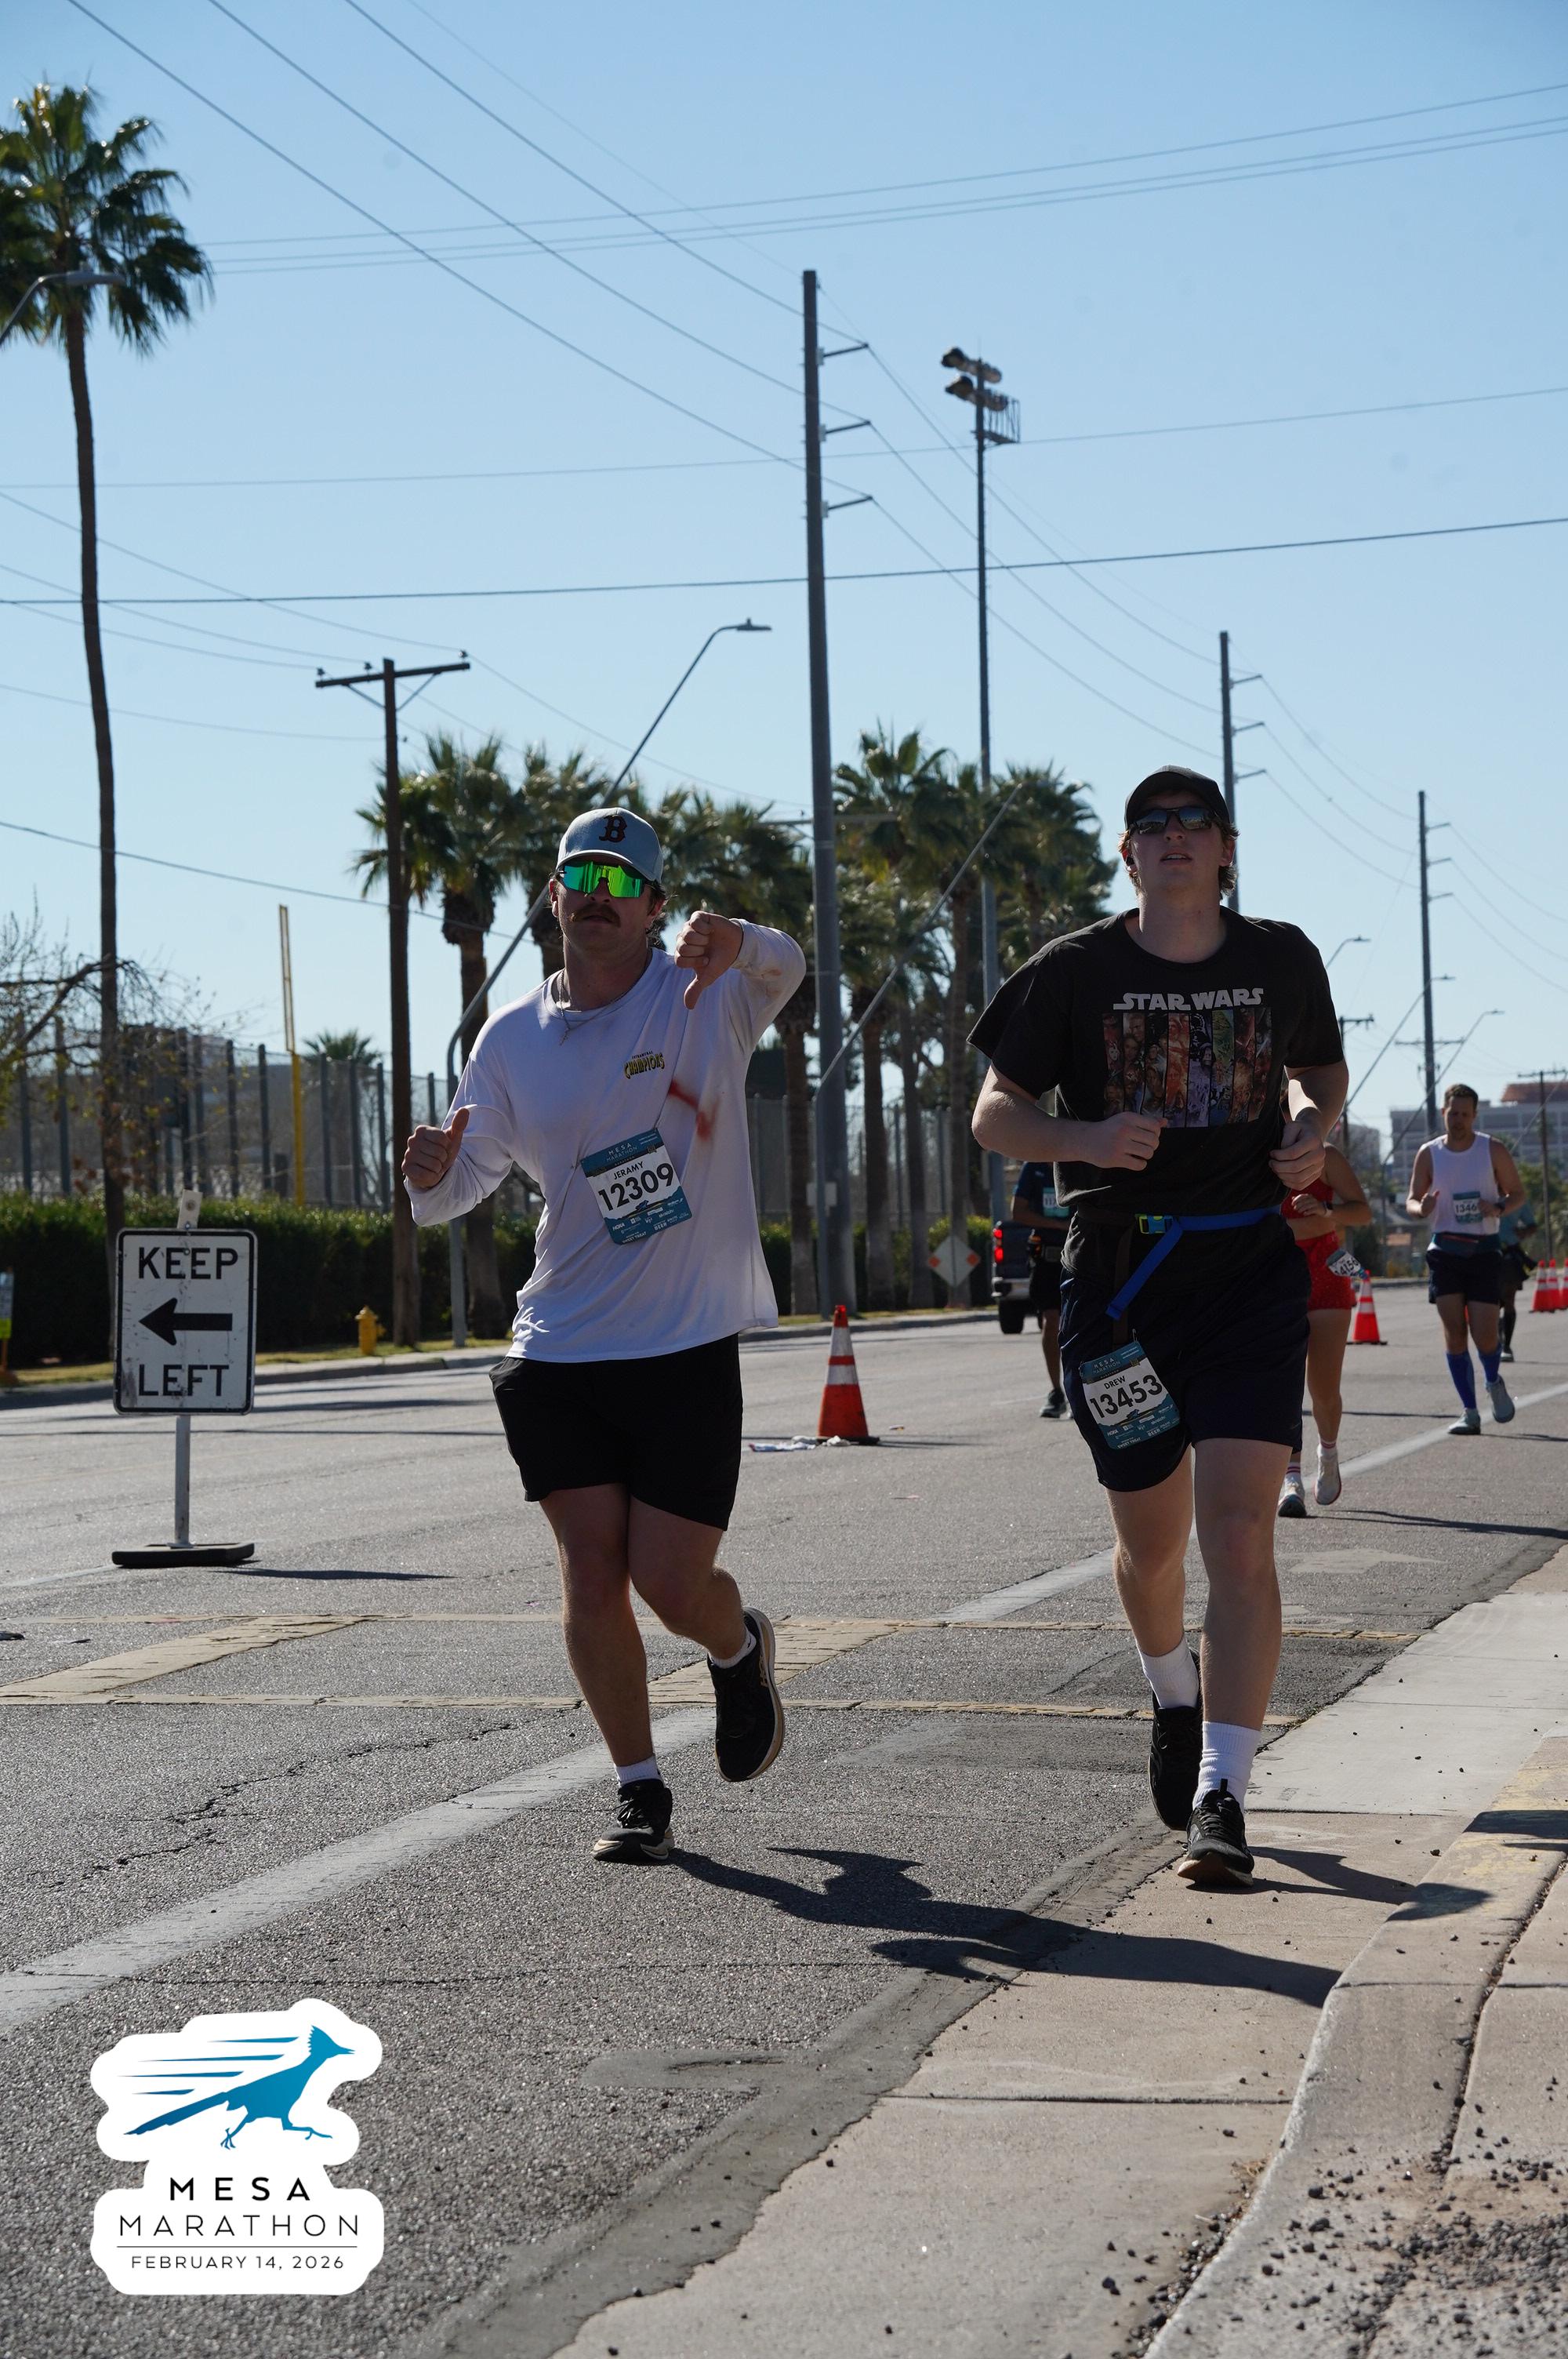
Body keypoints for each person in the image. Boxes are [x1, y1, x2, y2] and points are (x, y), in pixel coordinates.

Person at [403, 807, 805, 1864]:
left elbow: (787, 966)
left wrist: (741, 941)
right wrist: (429, 1177)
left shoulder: (703, 994)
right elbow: (458, 1185)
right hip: (559, 1346)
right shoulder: (510, 1038)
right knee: (590, 1571)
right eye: (580, 875)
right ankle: (639, 1788)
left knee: (672, 1585)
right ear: (553, 896)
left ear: (656, 906)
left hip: (682, 1345)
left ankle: (737, 1647)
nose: (597, 894)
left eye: (622, 881)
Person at [971, 766, 1347, 1890]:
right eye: (1151, 823)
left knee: (1239, 1534)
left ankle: (1222, 1793)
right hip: (1121, 1281)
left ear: (1226, 847)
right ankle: (1170, 1690)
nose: (1173, 836)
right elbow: (994, 1113)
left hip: (1246, 1273)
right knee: (1151, 1545)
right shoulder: (1073, 970)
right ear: (1127, 852)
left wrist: (1312, 1126)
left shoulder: (1281, 956)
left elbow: (1319, 1071)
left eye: (1194, 822)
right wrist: (1082, 1140)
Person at [1405, 1084, 1525, 1433]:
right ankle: (1469, 1411)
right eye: (1453, 1113)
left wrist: (1498, 1207)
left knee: (1485, 1334)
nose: (1458, 1120)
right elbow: (1412, 1200)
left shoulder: (1492, 1149)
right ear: (1444, 1113)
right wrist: (1421, 1207)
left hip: (1484, 1250)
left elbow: (1517, 1194)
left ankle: (1493, 1381)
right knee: (1454, 1332)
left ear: (1474, 1116)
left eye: (1464, 1114)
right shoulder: (1429, 1153)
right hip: (1444, 1251)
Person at [1277, 1145, 1372, 1516]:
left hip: (1325, 1272)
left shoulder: (1325, 1156)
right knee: (1282, 1384)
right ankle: (1291, 1477)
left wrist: (1327, 1211)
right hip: (1273, 1275)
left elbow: (1362, 1212)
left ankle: (1328, 1453)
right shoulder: (1252, 1150)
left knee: (1324, 1387)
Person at [1011, 1158, 1071, 1416]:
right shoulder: (1033, 1167)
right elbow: (1018, 1212)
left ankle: (1080, 1390)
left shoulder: (1077, 1160)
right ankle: (1057, 1392)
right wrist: (1058, 1225)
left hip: (1079, 1256)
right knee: (1051, 1321)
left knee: (1076, 1324)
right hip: (1047, 1258)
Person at [1497, 1199, 1539, 1361]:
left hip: (1510, 1253)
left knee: (1509, 1298)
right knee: (1492, 1302)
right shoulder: (1483, 1194)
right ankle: (1497, 1339)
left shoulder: (1518, 1198)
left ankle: (1506, 1346)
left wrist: (1524, 1232)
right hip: (1486, 1253)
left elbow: (1532, 1225)